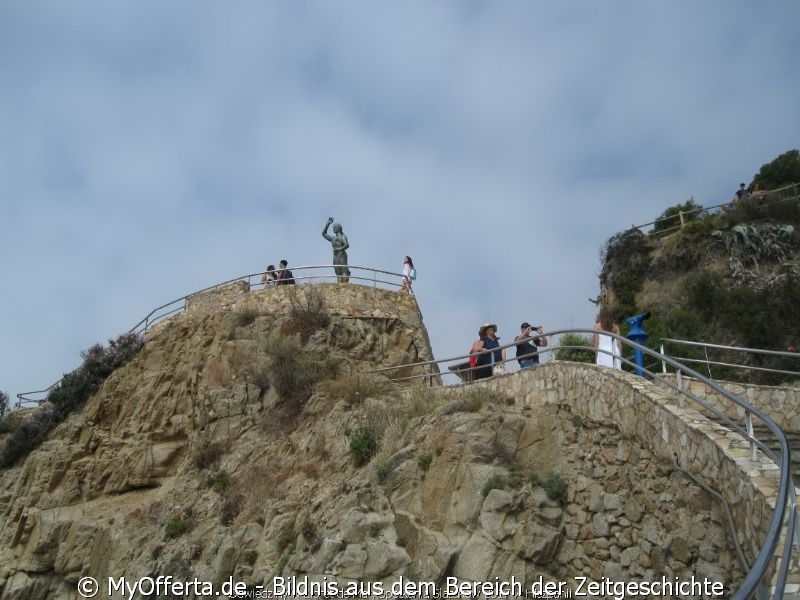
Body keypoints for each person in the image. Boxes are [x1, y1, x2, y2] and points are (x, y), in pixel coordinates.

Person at [322, 218, 351, 283]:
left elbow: (347, 245)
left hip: (342, 255)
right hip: (335, 256)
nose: (333, 228)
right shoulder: (333, 238)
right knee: (337, 272)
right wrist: (328, 224)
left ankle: (345, 286)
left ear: (339, 228)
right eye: (333, 227)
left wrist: (339, 249)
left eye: (335, 227)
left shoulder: (342, 236)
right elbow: (323, 234)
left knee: (344, 272)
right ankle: (339, 287)